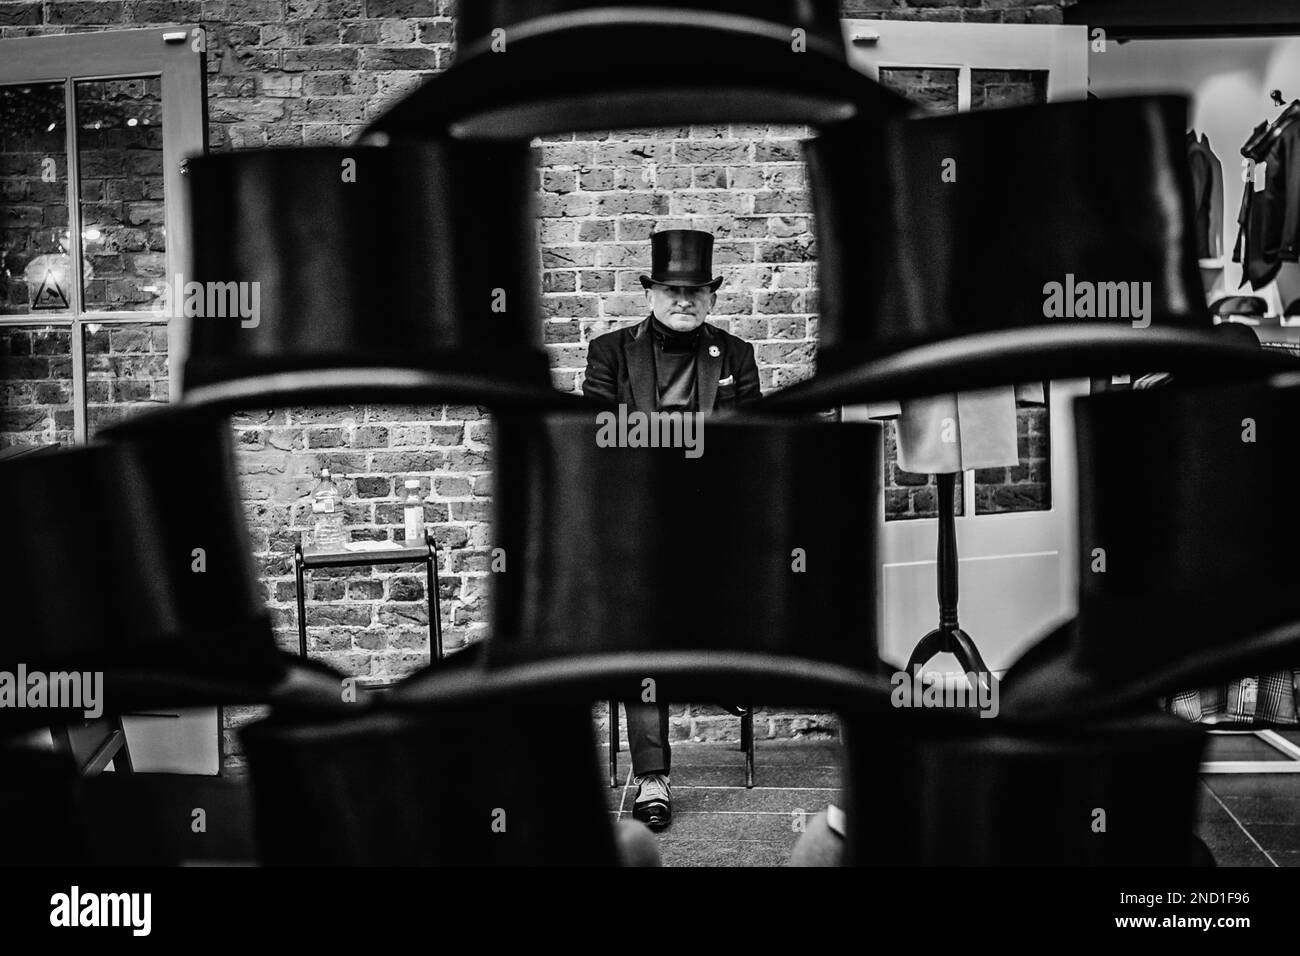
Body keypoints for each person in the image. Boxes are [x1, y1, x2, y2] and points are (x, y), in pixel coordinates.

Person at [581, 228, 761, 829]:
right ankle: (653, 778)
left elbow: (747, 449)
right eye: (671, 289)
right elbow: (602, 438)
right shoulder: (609, 353)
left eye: (695, 291)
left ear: (710, 296)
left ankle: (714, 670)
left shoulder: (735, 357)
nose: (683, 300)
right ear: (651, 292)